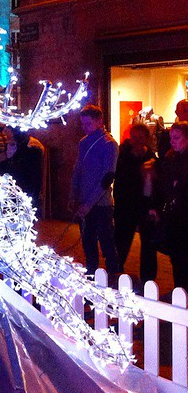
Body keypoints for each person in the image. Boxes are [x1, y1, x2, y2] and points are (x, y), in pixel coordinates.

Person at [69, 105, 120, 277]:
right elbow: (78, 169)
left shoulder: (109, 144)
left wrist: (89, 204)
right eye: (83, 124)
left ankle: (114, 278)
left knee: (107, 243)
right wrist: (73, 193)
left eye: (88, 123)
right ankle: (92, 275)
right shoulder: (84, 142)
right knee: (88, 242)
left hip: (101, 204)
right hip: (84, 200)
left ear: (100, 122)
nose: (85, 127)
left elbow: (107, 178)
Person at [113, 123, 157, 283]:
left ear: (146, 138)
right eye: (135, 137)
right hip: (126, 207)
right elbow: (120, 182)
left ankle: (148, 280)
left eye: (141, 137)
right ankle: (116, 274)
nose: (138, 140)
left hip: (145, 206)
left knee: (149, 245)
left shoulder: (151, 157)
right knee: (122, 241)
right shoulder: (123, 156)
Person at [153, 121, 188, 289]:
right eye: (171, 137)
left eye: (177, 137)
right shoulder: (171, 157)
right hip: (174, 216)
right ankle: (180, 291)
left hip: (184, 215)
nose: (172, 141)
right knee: (177, 258)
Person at [0, 126, 45, 216]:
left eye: (8, 129)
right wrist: (0, 162)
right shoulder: (8, 147)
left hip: (24, 194)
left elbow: (35, 176)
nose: (4, 131)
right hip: (9, 194)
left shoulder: (32, 150)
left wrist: (34, 198)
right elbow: (4, 171)